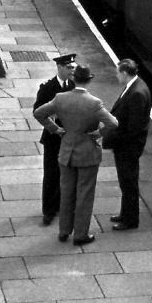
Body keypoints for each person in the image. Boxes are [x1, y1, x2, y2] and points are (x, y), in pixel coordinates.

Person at [33, 65, 117, 246]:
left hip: (66, 152)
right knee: (84, 194)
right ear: (88, 80)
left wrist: (56, 129)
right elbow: (113, 123)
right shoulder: (94, 102)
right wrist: (98, 134)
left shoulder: (60, 98)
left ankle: (64, 231)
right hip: (87, 154)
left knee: (66, 193)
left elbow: (39, 113)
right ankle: (80, 235)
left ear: (74, 78)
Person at [102, 58, 152, 231]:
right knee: (126, 182)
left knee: (129, 183)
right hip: (126, 146)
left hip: (128, 148)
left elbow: (133, 128)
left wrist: (111, 138)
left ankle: (130, 220)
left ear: (124, 73)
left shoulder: (137, 93)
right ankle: (125, 214)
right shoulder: (135, 86)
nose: (116, 76)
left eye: (117, 73)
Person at [33, 53, 77, 225]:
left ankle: (60, 204)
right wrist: (54, 128)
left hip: (69, 137)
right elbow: (38, 111)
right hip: (53, 138)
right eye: (68, 68)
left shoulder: (73, 85)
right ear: (59, 68)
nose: (71, 71)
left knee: (65, 172)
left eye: (73, 68)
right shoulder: (47, 88)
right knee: (51, 174)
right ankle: (48, 210)